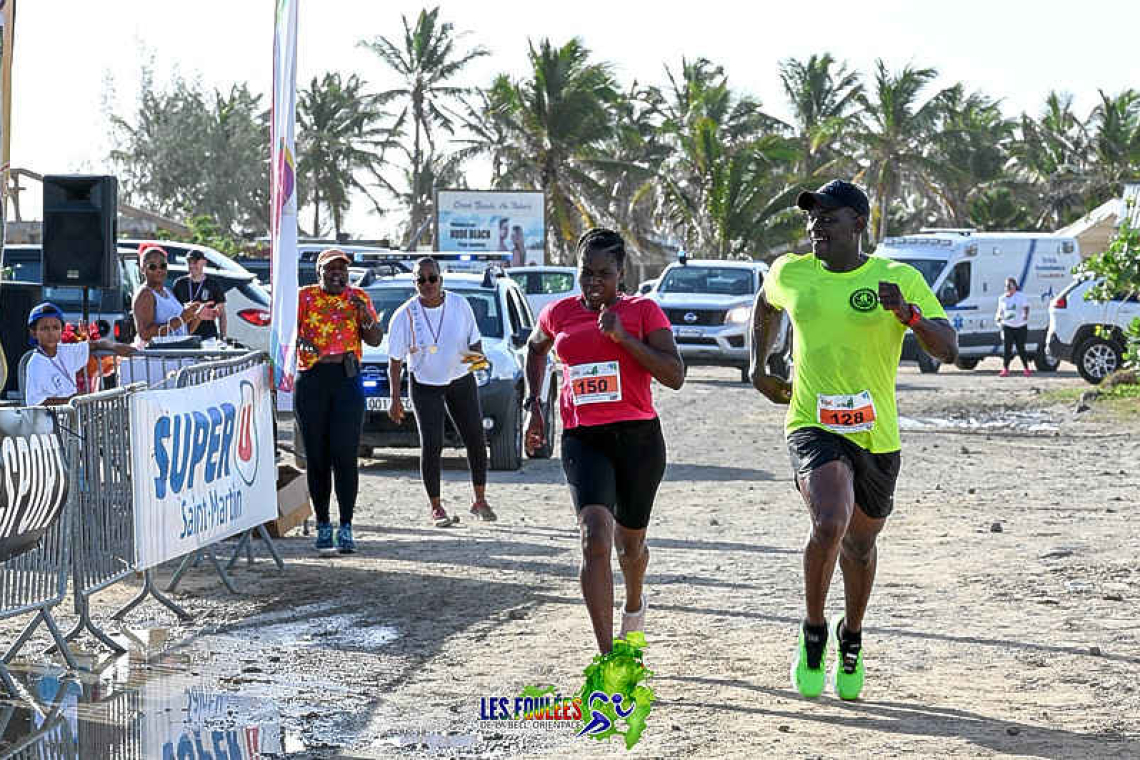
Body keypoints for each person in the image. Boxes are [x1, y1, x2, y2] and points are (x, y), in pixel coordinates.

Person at [748, 179, 958, 700]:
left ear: (858, 224)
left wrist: (907, 315)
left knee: (861, 546)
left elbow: (948, 347)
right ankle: (814, 632)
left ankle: (852, 638)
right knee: (830, 521)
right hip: (812, 422)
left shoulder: (898, 277)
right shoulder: (791, 272)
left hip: (876, 434)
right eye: (812, 217)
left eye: (828, 217)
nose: (815, 225)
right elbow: (765, 304)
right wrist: (757, 366)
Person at [524, 228, 684, 655]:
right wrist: (533, 405)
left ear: (621, 273)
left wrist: (624, 338)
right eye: (585, 272)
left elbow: (675, 374)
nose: (593, 281)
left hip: (638, 441)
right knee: (595, 536)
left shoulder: (643, 310)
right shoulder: (558, 313)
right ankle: (607, 654)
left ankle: (634, 603)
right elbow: (535, 348)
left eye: (604, 273)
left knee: (630, 548)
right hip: (583, 439)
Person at [387, 257, 495, 527]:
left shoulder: (459, 304)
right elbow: (395, 361)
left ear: (441, 280)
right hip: (425, 383)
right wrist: (395, 400)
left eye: (432, 278)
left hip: (460, 379)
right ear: (414, 283)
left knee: (475, 438)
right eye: (421, 280)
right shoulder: (405, 314)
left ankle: (479, 499)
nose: (427, 284)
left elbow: (475, 339)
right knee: (432, 444)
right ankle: (436, 506)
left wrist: (478, 358)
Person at [294, 248, 383, 554]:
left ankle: (346, 526)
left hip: (347, 381)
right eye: (330, 269)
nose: (337, 274)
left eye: (342, 269)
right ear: (318, 272)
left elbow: (375, 339)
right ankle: (322, 524)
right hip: (313, 380)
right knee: (317, 457)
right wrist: (298, 341)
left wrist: (364, 315)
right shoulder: (303, 297)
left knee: (345, 456)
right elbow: (283, 333)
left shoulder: (358, 297)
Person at [24, 302, 134, 406]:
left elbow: (94, 345)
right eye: (44, 329)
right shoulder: (35, 364)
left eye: (55, 328)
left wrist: (114, 346)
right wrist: (72, 400)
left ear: (62, 330)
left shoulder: (66, 351)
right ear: (34, 333)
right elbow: (36, 403)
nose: (51, 333)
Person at [132, 245, 214, 348]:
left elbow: (183, 330)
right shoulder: (145, 294)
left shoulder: (167, 291)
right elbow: (145, 334)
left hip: (173, 355)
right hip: (154, 358)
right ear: (142, 269)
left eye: (163, 266)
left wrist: (196, 316)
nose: (159, 270)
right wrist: (182, 318)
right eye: (152, 267)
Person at [172, 250, 227, 342]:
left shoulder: (213, 284)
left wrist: (223, 338)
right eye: (189, 262)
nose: (192, 265)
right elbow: (174, 310)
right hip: (185, 334)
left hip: (208, 335)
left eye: (195, 262)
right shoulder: (180, 283)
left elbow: (222, 314)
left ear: (204, 262)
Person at [996, 276, 1031, 377]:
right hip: (1007, 325)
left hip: (1020, 326)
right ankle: (1005, 369)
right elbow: (1000, 311)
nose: (1008, 288)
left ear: (1015, 286)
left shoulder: (1021, 296)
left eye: (1010, 286)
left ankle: (1026, 368)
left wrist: (1025, 315)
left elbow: (1026, 307)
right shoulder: (1002, 298)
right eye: (1006, 286)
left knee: (1021, 348)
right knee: (1007, 348)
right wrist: (998, 317)